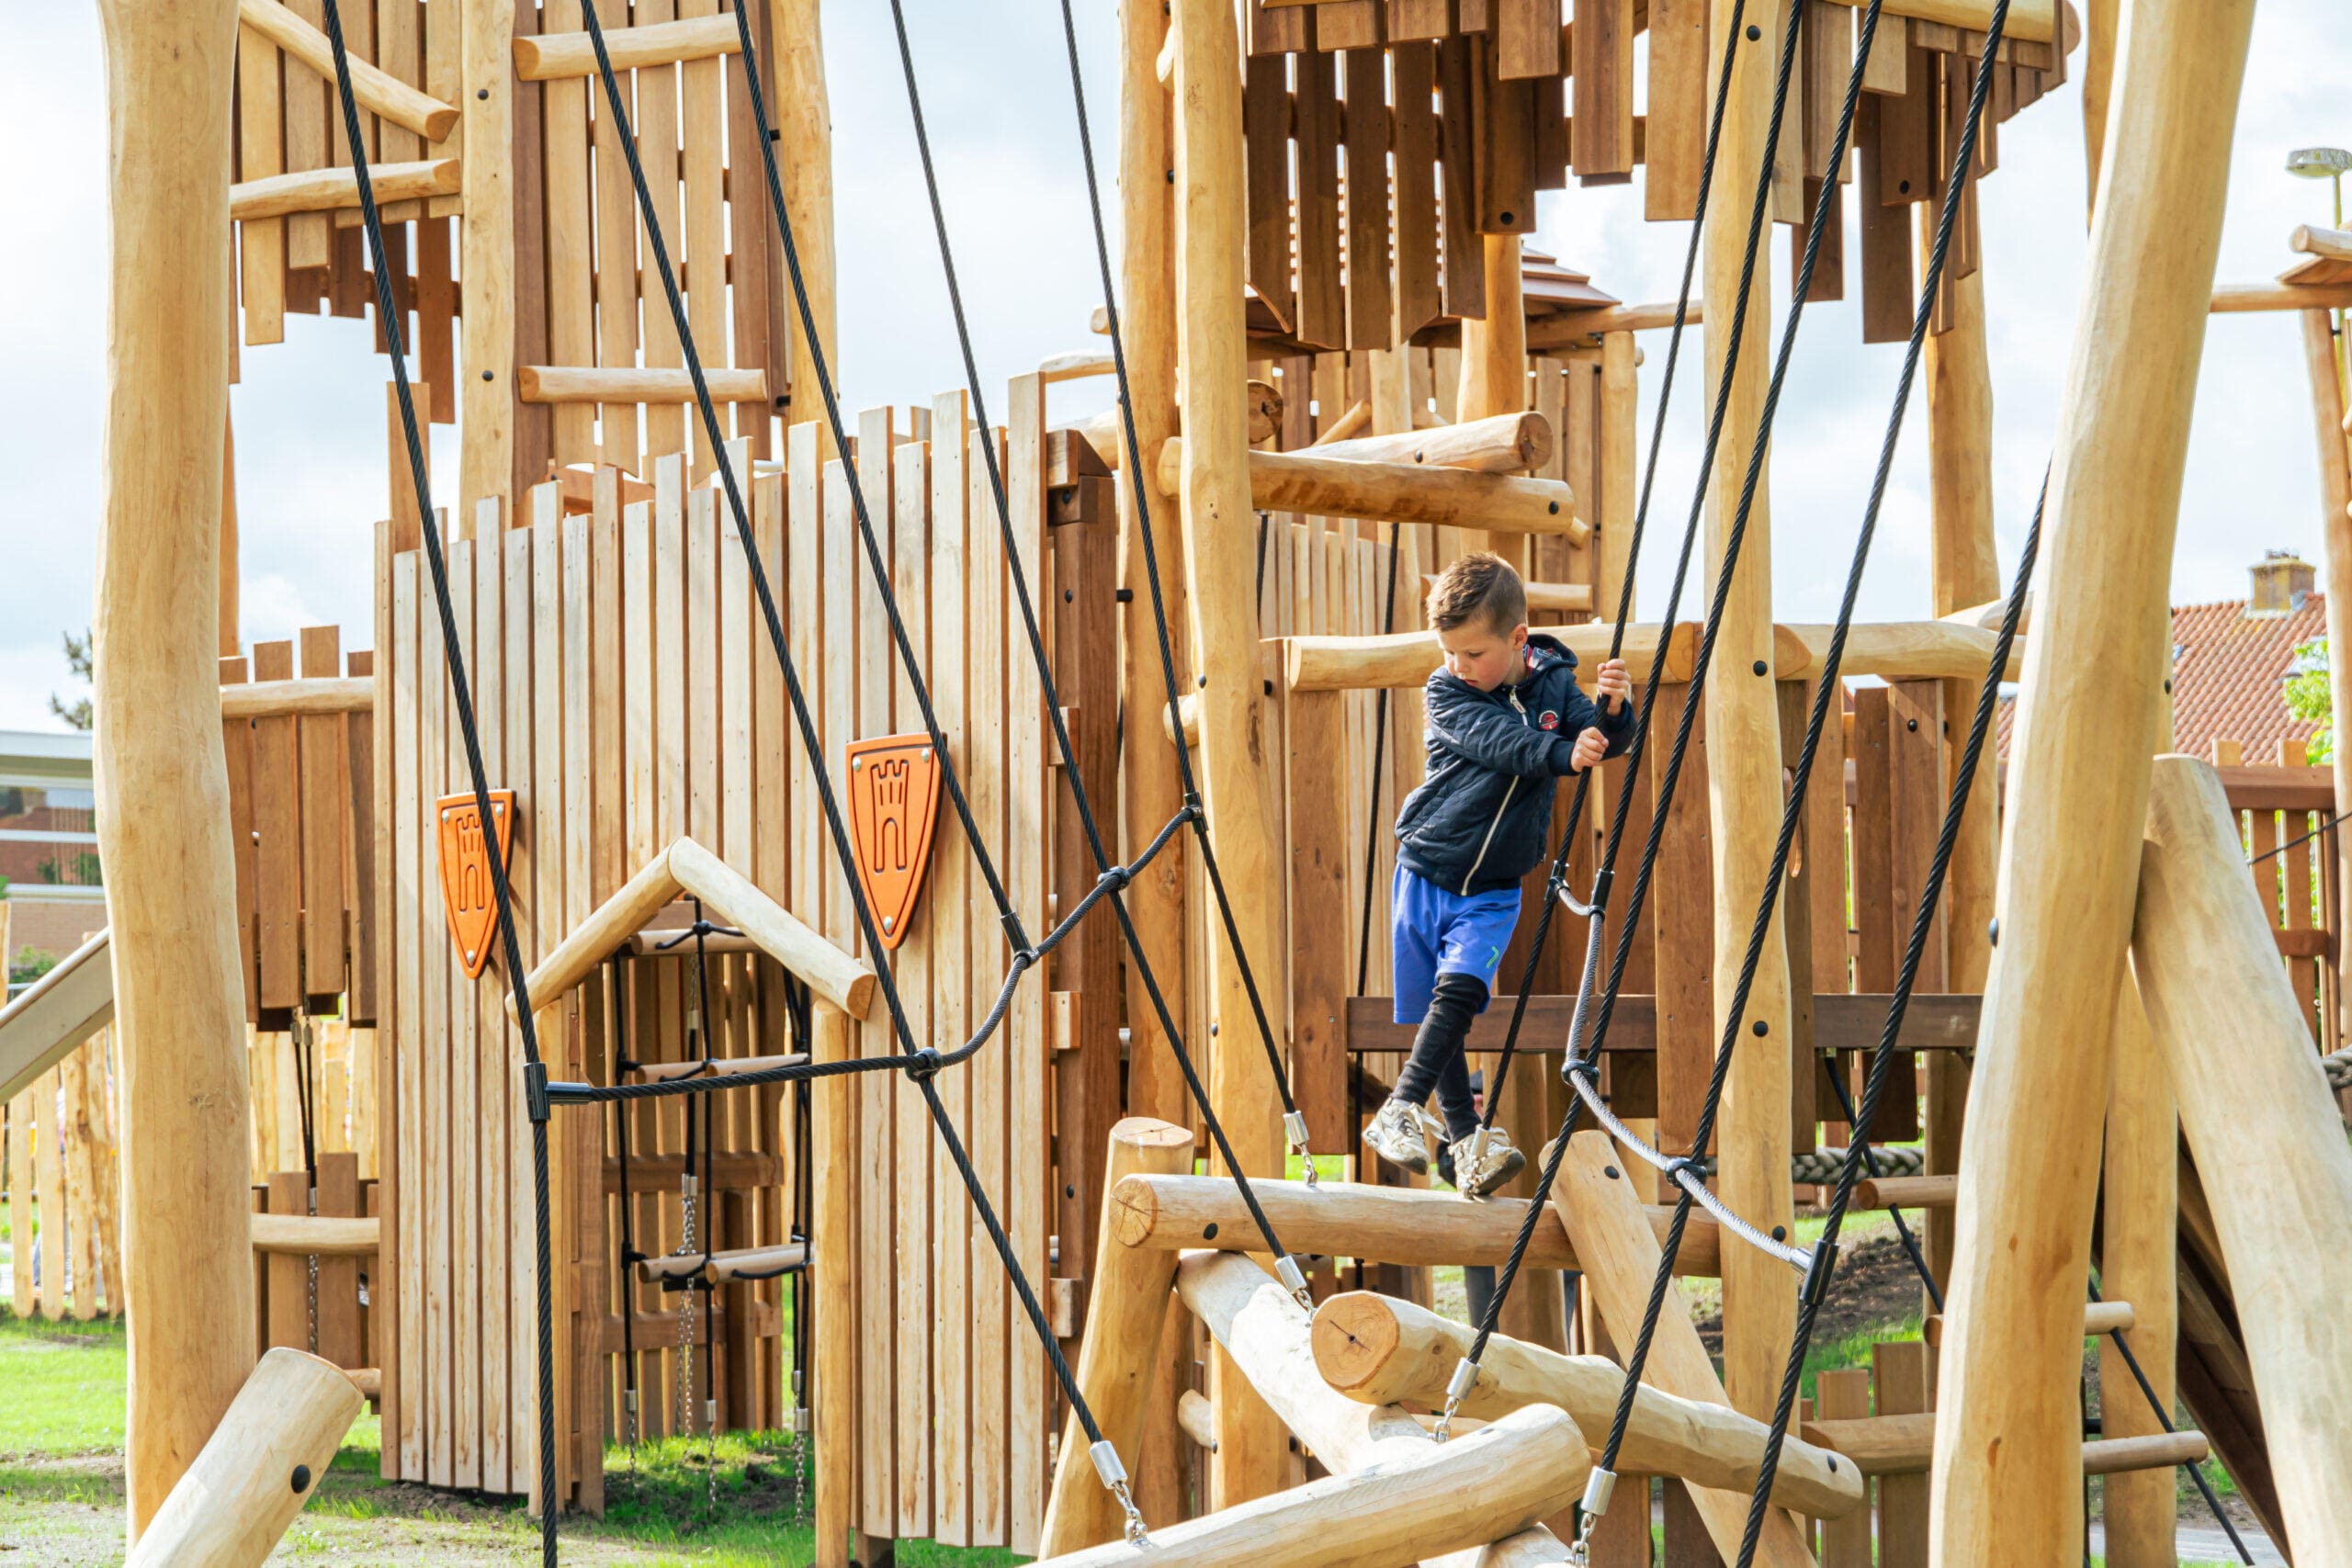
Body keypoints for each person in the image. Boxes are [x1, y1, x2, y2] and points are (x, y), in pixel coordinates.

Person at [1362, 552, 1634, 1199]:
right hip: (1427, 867)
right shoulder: (1446, 691)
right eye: (1449, 651)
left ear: (1517, 639)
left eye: (1471, 652)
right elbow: (1500, 743)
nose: (1458, 663)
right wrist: (1562, 751)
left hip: (1493, 888)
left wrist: (1611, 714)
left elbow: (1592, 738)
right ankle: (1464, 1143)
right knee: (1442, 1012)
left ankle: (1402, 1105)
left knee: (1457, 996)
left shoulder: (1554, 685)